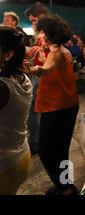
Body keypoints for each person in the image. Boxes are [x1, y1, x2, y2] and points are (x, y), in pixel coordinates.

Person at [28, 15, 79, 195]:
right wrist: (41, 55)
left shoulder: (57, 54)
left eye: (43, 33)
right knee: (61, 150)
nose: (41, 36)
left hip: (58, 108)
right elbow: (49, 65)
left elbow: (45, 70)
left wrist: (25, 67)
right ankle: (66, 186)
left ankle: (64, 186)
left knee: (46, 151)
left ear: (50, 36)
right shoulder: (61, 51)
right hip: (67, 105)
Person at [0, 27, 33, 194]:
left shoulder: (3, 87)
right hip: (20, 157)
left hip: (4, 165)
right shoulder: (23, 78)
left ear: (8, 55)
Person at [24, 2, 50, 155]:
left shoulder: (48, 34)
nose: (33, 24)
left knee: (33, 111)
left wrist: (31, 67)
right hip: (39, 76)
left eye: (34, 20)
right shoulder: (43, 34)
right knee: (36, 111)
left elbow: (49, 61)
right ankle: (37, 141)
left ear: (42, 18)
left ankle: (35, 144)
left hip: (42, 77)